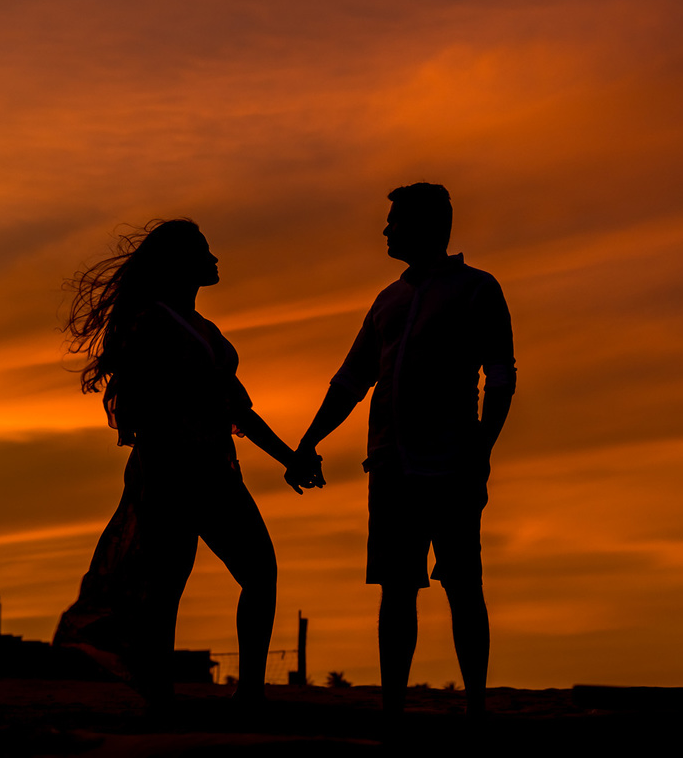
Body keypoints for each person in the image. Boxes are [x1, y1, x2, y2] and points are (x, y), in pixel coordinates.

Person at [287, 183, 515, 717]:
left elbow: (500, 377)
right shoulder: (388, 300)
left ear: (427, 225)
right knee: (396, 588)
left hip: (452, 462)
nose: (386, 230)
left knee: (463, 582)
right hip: (391, 463)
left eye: (395, 221)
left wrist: (481, 449)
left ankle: (476, 706)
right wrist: (310, 439)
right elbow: (352, 379)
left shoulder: (476, 290)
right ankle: (394, 709)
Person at [55, 218, 303, 708]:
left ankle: (245, 689)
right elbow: (139, 405)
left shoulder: (202, 329)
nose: (215, 261)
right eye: (205, 253)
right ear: (181, 265)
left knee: (253, 572)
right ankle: (161, 693)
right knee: (168, 585)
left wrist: (288, 458)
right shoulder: (151, 322)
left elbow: (237, 408)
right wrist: (158, 472)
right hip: (170, 471)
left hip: (213, 468)